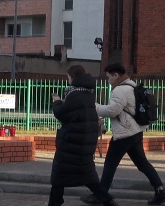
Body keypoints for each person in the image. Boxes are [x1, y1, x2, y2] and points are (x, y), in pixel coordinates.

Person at [80, 63, 165, 205]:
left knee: (110, 164)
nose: (107, 80)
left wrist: (93, 106)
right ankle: (160, 191)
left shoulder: (120, 90)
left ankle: (100, 195)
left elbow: (111, 111)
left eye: (108, 77)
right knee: (142, 164)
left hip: (124, 133)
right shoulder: (131, 86)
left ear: (116, 75)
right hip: (135, 131)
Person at [48, 65, 118, 206]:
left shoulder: (75, 95)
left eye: (68, 77)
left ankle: (54, 203)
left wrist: (56, 101)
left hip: (71, 143)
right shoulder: (87, 94)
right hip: (83, 142)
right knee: (88, 177)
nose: (68, 80)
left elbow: (61, 113)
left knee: (59, 176)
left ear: (73, 77)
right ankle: (108, 200)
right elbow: (74, 114)